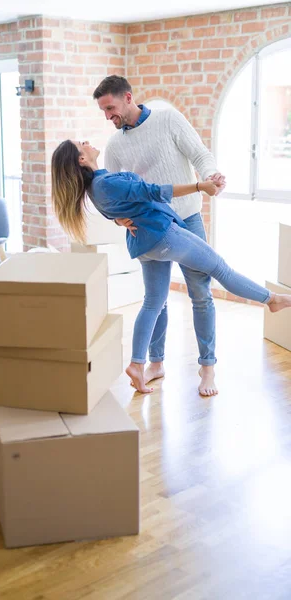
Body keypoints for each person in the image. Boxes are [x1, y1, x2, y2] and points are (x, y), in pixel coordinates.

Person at [51, 139, 291, 394]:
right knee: (220, 269)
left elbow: (119, 209)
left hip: (144, 245)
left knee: (153, 301)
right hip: (163, 235)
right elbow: (156, 191)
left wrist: (120, 219)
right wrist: (200, 186)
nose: (86, 142)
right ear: (81, 159)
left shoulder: (94, 188)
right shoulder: (106, 183)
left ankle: (137, 363)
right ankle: (271, 299)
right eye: (81, 144)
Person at [93, 75, 225, 397]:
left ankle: (207, 368)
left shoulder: (168, 120)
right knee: (157, 298)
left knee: (200, 293)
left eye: (111, 108)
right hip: (151, 228)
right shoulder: (114, 147)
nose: (109, 116)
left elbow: (199, 154)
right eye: (104, 112)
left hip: (188, 218)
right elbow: (112, 194)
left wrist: (210, 175)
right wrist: (118, 220)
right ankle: (156, 362)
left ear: (127, 97)